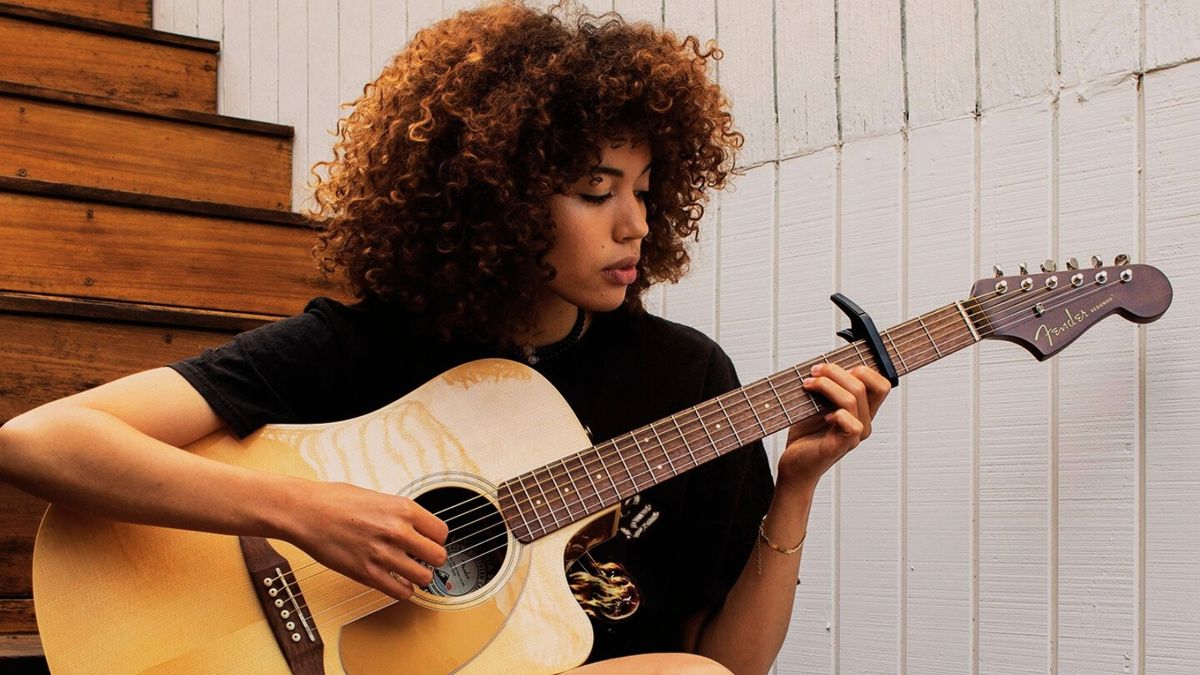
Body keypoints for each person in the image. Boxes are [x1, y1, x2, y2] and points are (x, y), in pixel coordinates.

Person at [0, 2, 890, 673]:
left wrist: (797, 485)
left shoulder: (687, 377)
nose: (635, 226)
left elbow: (729, 661)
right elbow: (39, 440)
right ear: (495, 195)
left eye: (647, 191)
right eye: (595, 188)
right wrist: (308, 515)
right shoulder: (371, 346)